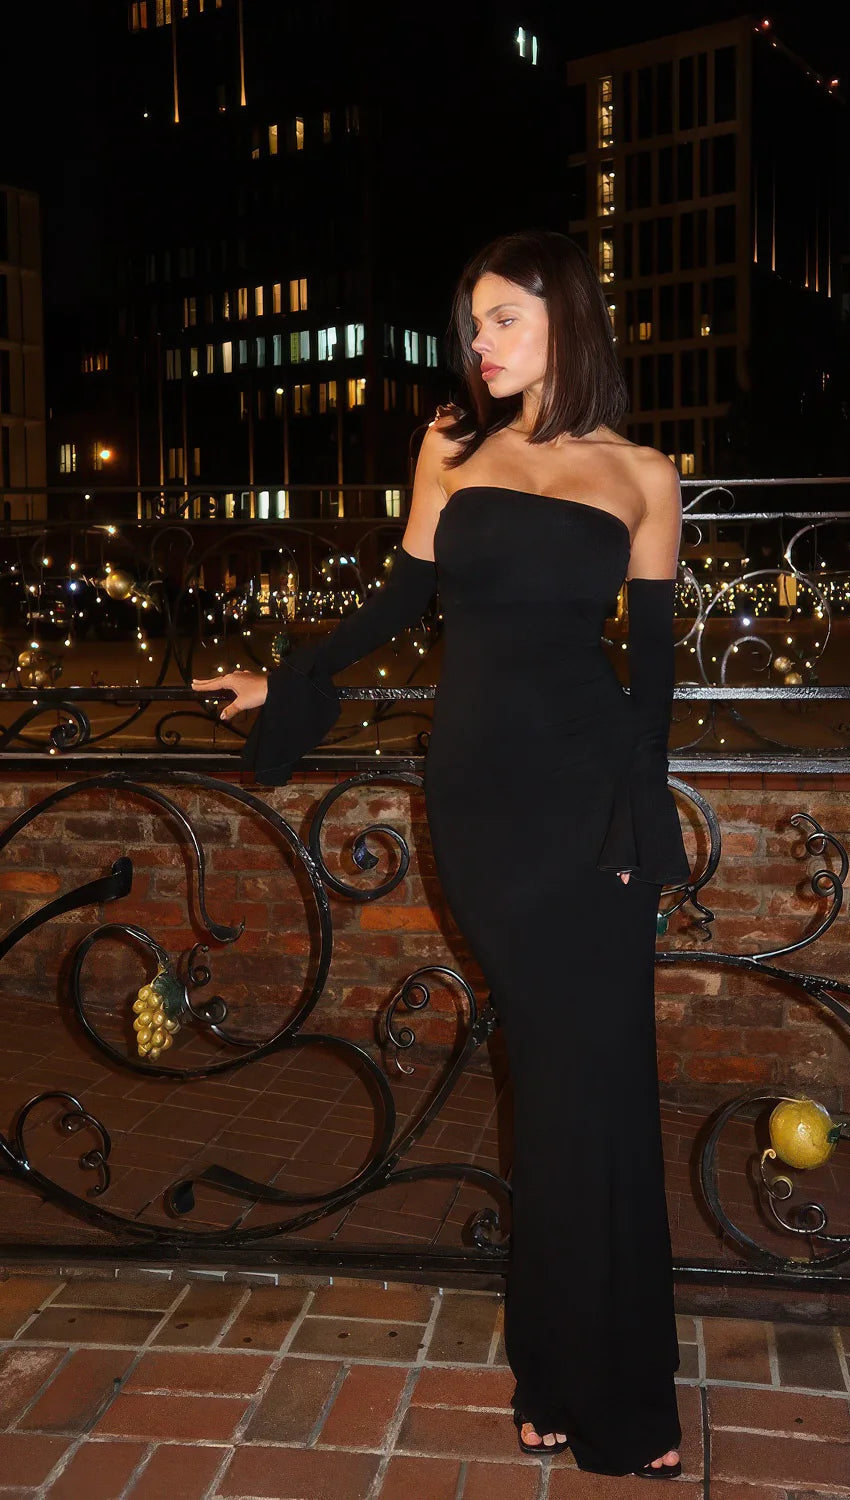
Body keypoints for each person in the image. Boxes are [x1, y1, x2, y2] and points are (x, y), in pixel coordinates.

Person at [193, 228, 690, 1478]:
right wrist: (292, 676)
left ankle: (607, 1387)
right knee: (552, 1080)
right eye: (474, 324)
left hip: (589, 811)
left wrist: (642, 829)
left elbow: (652, 691)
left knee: (599, 1094)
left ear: (567, 319)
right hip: (481, 807)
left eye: (505, 319)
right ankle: (555, 1364)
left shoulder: (644, 476)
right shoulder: (452, 448)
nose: (481, 344)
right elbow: (397, 602)